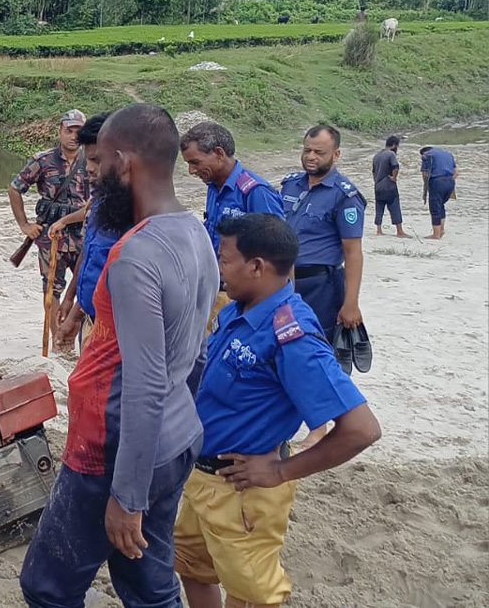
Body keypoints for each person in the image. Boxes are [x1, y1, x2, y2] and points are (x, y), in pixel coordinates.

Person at [19, 104, 217, 608]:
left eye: (102, 162)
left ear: (124, 163)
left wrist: (128, 496)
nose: (94, 174)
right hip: (176, 438)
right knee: (148, 584)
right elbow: (195, 354)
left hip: (112, 452)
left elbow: (144, 385)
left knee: (46, 587)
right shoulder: (196, 233)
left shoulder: (135, 256)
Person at [175, 213, 382, 608]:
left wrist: (281, 471)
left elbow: (362, 429)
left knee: (253, 595)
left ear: (257, 267)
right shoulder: (238, 309)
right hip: (202, 477)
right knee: (192, 566)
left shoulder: (291, 335)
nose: (219, 268)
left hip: (241, 491)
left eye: (225, 259)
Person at [281, 125, 365, 449]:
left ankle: (320, 428)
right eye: (307, 150)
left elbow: (353, 252)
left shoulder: (345, 195)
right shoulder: (290, 185)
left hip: (322, 286)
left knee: (316, 355)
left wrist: (351, 303)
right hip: (284, 283)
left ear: (336, 154)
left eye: (319, 152)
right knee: (284, 353)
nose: (311, 157)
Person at [180, 121, 283, 323]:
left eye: (195, 162)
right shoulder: (213, 188)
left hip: (243, 298)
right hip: (215, 289)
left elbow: (278, 251)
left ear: (219, 153)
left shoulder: (255, 192)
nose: (191, 171)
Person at [9, 109, 91, 313]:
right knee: (52, 289)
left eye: (78, 132)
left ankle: (81, 330)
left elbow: (98, 200)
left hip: (83, 235)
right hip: (52, 237)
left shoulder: (92, 160)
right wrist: (24, 225)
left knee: (89, 285)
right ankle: (56, 333)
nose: (74, 136)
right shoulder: (43, 161)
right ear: (59, 132)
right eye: (69, 131)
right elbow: (15, 189)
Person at [49, 112, 117, 352]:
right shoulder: (100, 200)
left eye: (97, 160)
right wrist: (71, 301)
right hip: (90, 318)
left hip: (115, 329)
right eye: (88, 160)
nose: (89, 168)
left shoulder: (133, 212)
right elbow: (89, 254)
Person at [372, 136, 409, 238]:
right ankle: (400, 231)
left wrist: (376, 182)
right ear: (394, 145)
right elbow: (395, 167)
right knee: (394, 206)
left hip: (378, 186)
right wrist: (394, 178)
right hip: (389, 185)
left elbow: (373, 172)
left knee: (379, 207)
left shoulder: (376, 155)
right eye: (397, 146)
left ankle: (379, 230)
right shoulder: (391, 154)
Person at [420, 146, 458, 240]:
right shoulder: (448, 155)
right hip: (450, 182)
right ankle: (441, 230)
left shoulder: (427, 155)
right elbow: (456, 172)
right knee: (441, 205)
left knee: (435, 207)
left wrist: (427, 187)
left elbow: (425, 174)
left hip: (437, 182)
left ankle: (436, 235)